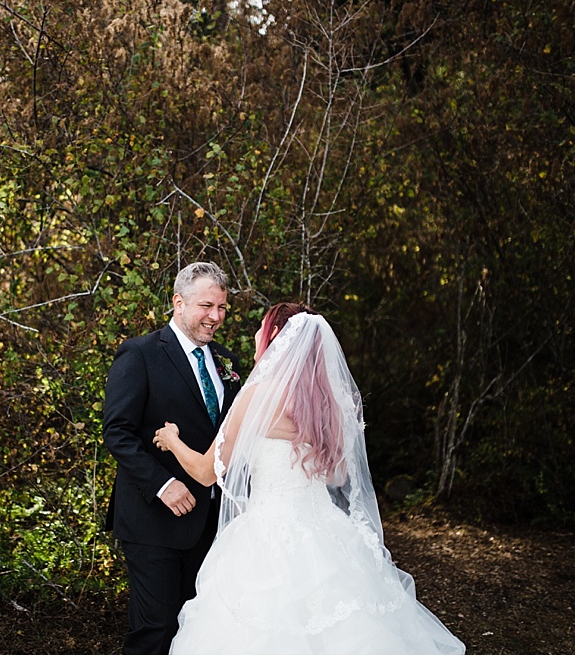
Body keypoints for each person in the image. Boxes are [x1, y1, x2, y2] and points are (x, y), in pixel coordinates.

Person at [152, 303, 466, 654]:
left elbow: (206, 472)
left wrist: (172, 441)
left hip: (267, 536)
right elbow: (339, 474)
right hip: (329, 533)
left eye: (261, 327)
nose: (256, 334)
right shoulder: (331, 402)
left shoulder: (259, 397)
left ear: (275, 336)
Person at [102, 261, 243, 654]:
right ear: (178, 303)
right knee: (155, 630)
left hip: (213, 523)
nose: (215, 317)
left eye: (221, 308)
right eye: (206, 306)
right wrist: (163, 484)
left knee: (197, 631)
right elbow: (117, 431)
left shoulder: (226, 361)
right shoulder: (140, 354)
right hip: (153, 523)